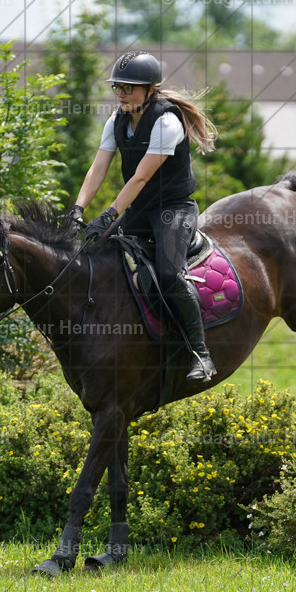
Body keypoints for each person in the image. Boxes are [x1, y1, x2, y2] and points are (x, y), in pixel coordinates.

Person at [69, 50, 218, 384]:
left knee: (167, 274)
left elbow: (140, 178)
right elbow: (99, 166)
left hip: (173, 210)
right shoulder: (117, 120)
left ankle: (201, 354)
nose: (121, 94)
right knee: (96, 258)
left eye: (129, 88)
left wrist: (108, 215)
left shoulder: (167, 121)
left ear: (151, 89)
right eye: (117, 87)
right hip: (140, 209)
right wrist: (78, 209)